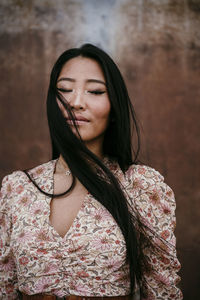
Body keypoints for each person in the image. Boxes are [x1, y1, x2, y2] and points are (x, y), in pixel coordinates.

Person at [0, 44, 182, 300]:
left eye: (95, 91)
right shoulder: (16, 188)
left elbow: (162, 293)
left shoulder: (141, 185)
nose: (75, 102)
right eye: (64, 89)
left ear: (114, 106)